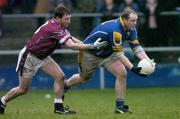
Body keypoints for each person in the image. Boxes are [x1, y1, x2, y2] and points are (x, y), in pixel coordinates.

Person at [0, 4, 108, 115]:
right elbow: (70, 45)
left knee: (60, 77)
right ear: (57, 18)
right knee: (22, 89)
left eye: (69, 18)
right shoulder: (54, 28)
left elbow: (71, 38)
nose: (69, 21)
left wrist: (88, 46)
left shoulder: (60, 26)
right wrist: (92, 46)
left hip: (43, 56)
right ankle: (2, 101)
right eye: (66, 19)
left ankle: (58, 108)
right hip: (30, 57)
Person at [64, 8, 155, 114]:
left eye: (136, 20)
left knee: (122, 73)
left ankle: (119, 107)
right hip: (90, 54)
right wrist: (132, 68)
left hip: (107, 54)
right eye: (132, 20)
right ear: (124, 20)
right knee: (83, 78)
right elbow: (120, 55)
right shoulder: (116, 30)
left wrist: (148, 61)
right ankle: (65, 84)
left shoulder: (131, 29)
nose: (135, 23)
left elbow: (136, 48)